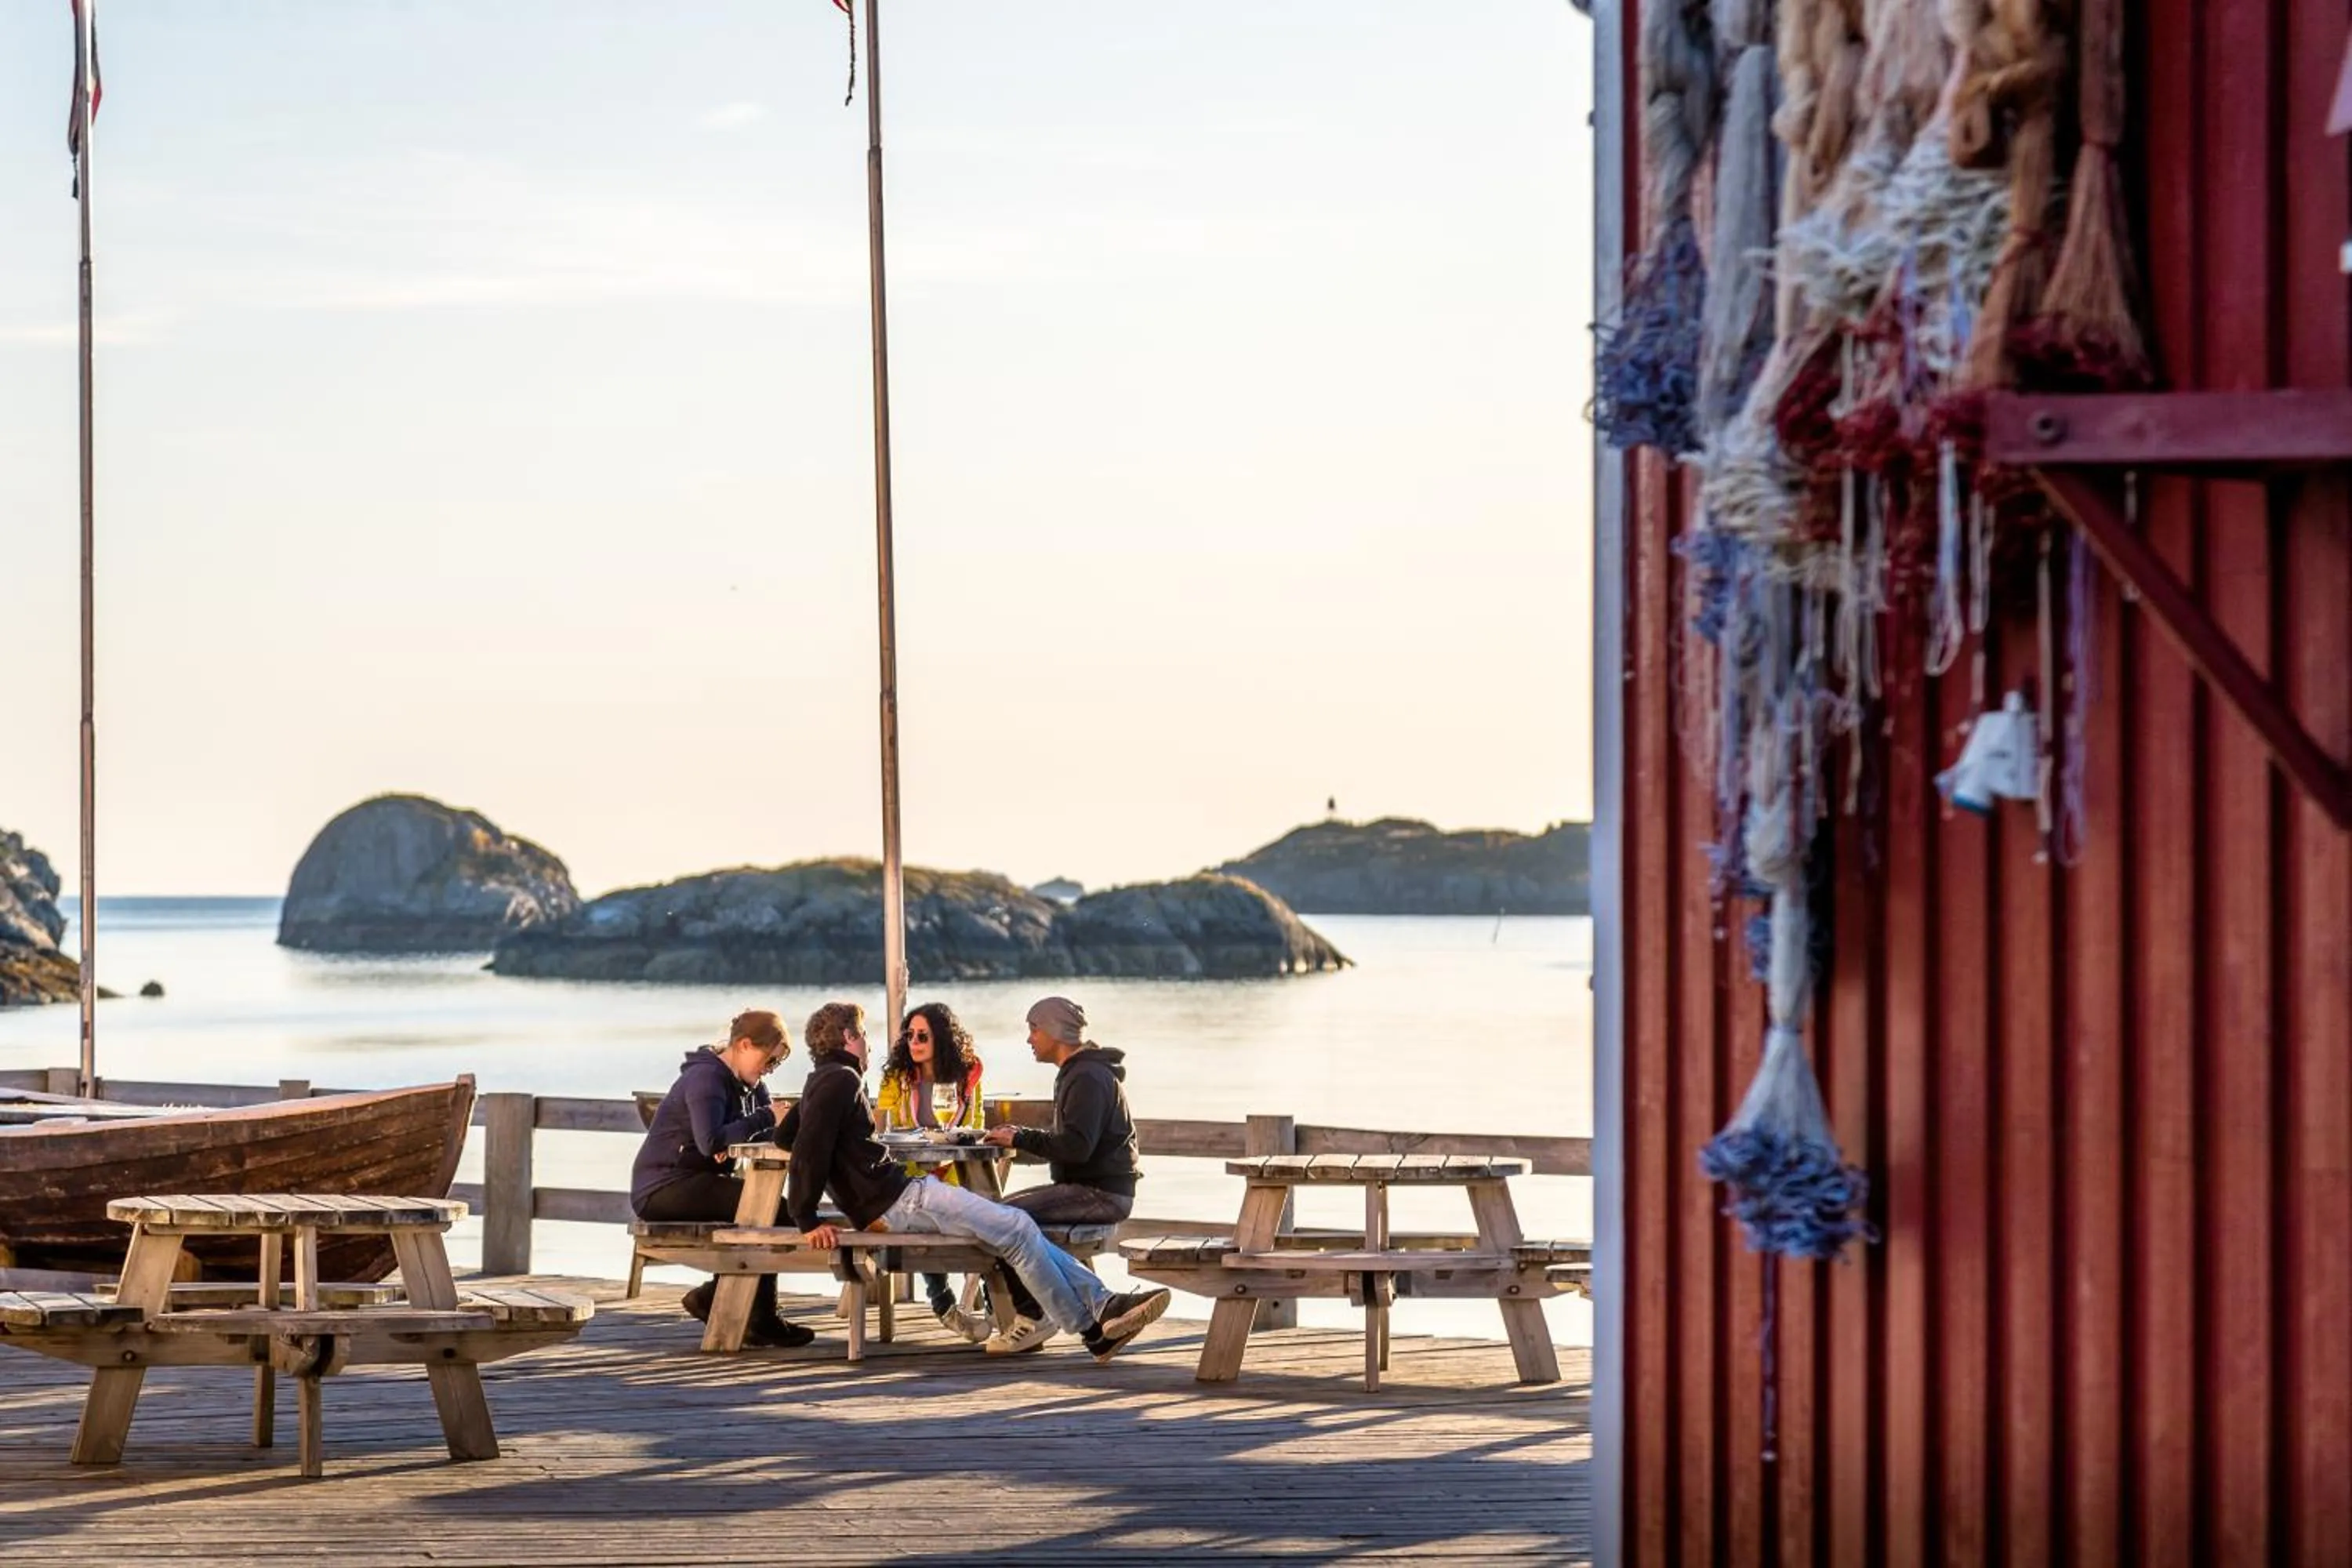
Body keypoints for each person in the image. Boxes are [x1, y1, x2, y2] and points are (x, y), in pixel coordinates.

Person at [785, 1000, 1171, 1362]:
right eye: (864, 1035)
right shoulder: (843, 1080)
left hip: (896, 1199)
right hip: (900, 1200)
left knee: (1012, 1228)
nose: (869, 1044)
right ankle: (1093, 1326)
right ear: (850, 1038)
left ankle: (1101, 1313)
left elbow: (788, 1138)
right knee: (1017, 1226)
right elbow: (809, 1150)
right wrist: (805, 1217)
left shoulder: (822, 1079)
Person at [629, 1008, 816, 1348]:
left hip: (696, 1180)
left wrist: (782, 1123)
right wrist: (758, 1120)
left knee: (769, 1208)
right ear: (744, 1045)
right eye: (768, 1061)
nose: (768, 1070)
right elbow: (711, 1141)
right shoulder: (706, 1079)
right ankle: (757, 1316)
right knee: (772, 1211)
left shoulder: (750, 1086)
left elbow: (764, 1132)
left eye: (776, 1066)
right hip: (663, 1187)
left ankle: (723, 1300)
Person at [980, 996, 1140, 1329]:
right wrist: (1017, 1138)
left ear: (1053, 1031)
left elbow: (1076, 1148)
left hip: (1101, 1194)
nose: (1029, 1039)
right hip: (1090, 1189)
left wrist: (1020, 1138)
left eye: (1034, 1029)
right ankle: (1038, 1310)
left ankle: (1031, 1318)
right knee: (1000, 1215)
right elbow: (1074, 1145)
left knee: (1003, 1219)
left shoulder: (1087, 1078)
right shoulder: (1081, 1073)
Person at [873, 1000, 989, 1334]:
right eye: (909, 1035)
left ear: (942, 1037)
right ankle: (944, 1305)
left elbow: (976, 1126)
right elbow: (883, 1128)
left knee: (988, 1215)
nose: (914, 1042)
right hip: (906, 1175)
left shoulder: (968, 1074)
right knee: (920, 1210)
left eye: (923, 1035)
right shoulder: (896, 1077)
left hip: (956, 1173)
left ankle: (996, 1304)